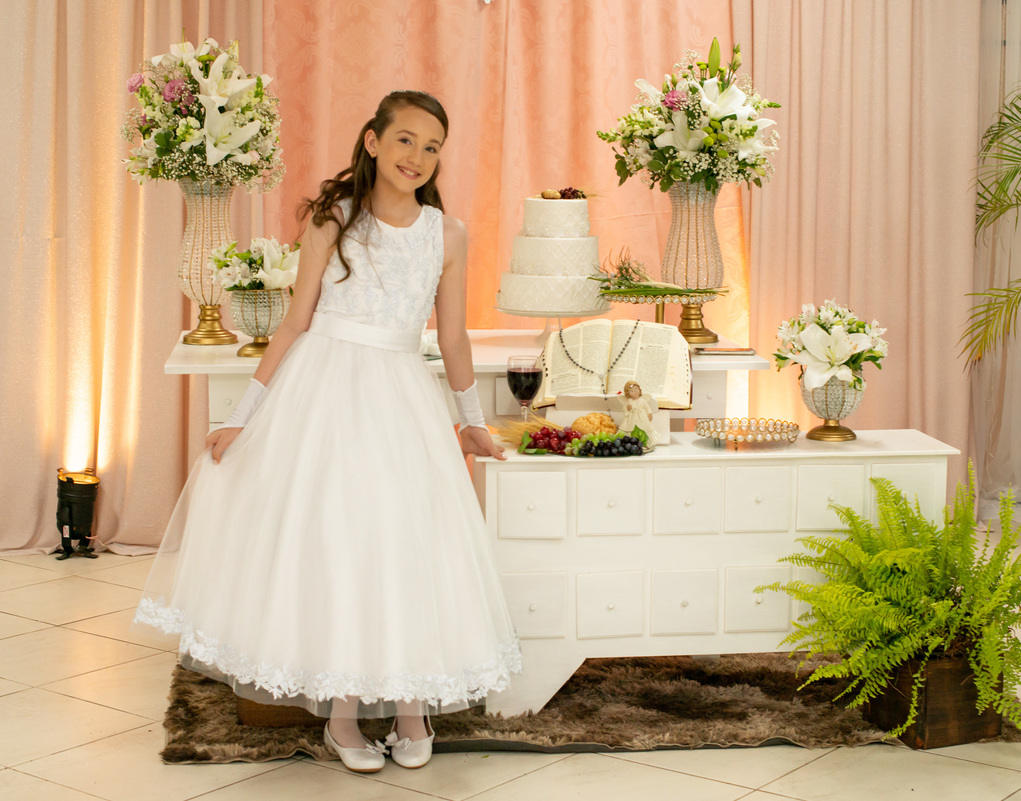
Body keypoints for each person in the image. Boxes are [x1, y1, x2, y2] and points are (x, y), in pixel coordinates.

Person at [135, 91, 521, 773]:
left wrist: (473, 423)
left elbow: (452, 336)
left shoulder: (446, 232)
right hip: (327, 390)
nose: (418, 157)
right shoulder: (334, 218)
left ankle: (410, 704)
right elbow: (293, 323)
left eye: (432, 147)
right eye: (405, 140)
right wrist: (240, 417)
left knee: (405, 540)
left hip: (401, 393)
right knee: (339, 539)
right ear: (371, 141)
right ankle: (343, 714)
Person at [617, 380, 661, 448]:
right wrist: (628, 409)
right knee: (630, 429)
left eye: (636, 389)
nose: (635, 392)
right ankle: (631, 443)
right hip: (631, 419)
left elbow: (647, 407)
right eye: (631, 391)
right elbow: (625, 408)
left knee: (643, 428)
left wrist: (649, 414)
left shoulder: (642, 400)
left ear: (639, 389)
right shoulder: (629, 401)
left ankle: (645, 442)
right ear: (628, 394)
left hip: (641, 417)